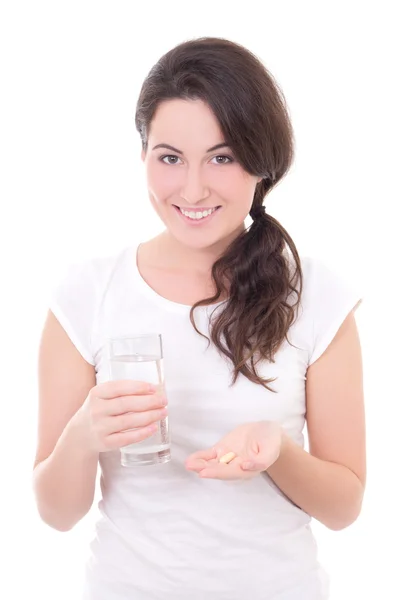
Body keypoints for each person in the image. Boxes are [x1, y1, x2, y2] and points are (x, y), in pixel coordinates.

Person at [33, 37, 366, 600]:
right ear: (143, 158)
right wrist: (84, 435)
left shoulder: (314, 295)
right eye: (170, 158)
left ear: (262, 163)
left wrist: (278, 452)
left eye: (223, 157)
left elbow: (344, 508)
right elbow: (56, 514)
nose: (192, 188)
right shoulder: (87, 293)